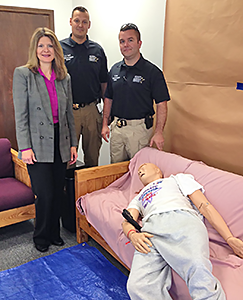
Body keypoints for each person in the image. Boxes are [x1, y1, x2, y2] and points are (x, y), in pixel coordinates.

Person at [122, 163, 243, 300]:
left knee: (197, 267)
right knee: (138, 286)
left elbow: (204, 206)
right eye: (138, 170)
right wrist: (132, 234)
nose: (139, 170)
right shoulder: (139, 196)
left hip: (182, 220)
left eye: (144, 166)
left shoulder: (177, 179)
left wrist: (229, 238)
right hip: (151, 230)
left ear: (158, 170)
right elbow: (127, 220)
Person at [12, 27, 78, 253]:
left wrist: (72, 144)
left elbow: (69, 113)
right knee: (45, 193)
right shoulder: (24, 74)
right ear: (35, 49)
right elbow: (21, 115)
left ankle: (54, 232)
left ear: (56, 49)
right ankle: (40, 235)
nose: (46, 50)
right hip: (37, 143)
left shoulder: (64, 77)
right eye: (41, 46)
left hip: (60, 140)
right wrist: (25, 147)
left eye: (50, 45)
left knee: (58, 191)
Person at [102, 23, 170, 163]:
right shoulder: (114, 70)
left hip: (139, 131)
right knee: (115, 173)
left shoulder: (152, 72)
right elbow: (108, 98)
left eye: (130, 40)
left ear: (139, 43)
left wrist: (158, 133)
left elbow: (161, 104)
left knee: (139, 173)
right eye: (122, 41)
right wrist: (104, 124)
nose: (126, 44)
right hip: (117, 129)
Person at [60, 6, 108, 167]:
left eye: (84, 22)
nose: (80, 25)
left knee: (92, 157)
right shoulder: (59, 49)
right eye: (77, 21)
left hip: (91, 111)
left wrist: (106, 115)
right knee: (67, 158)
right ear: (70, 22)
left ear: (89, 25)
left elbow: (104, 83)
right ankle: (68, 191)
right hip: (68, 111)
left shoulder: (98, 50)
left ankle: (92, 192)